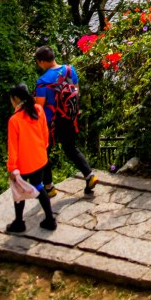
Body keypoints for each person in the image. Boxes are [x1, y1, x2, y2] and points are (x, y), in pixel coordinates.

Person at [34, 44, 98, 197]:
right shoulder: (70, 70)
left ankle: (49, 187)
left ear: (42, 62)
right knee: (71, 149)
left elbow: (39, 107)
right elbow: (76, 91)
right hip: (69, 118)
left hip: (50, 123)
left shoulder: (42, 82)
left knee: (44, 154)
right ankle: (89, 175)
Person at [5, 83, 57, 234]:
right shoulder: (38, 110)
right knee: (39, 186)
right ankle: (50, 219)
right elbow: (45, 133)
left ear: (15, 99)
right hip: (40, 158)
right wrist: (42, 149)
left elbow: (13, 148)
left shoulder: (14, 120)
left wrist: (12, 168)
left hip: (23, 163)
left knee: (18, 191)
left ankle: (19, 223)